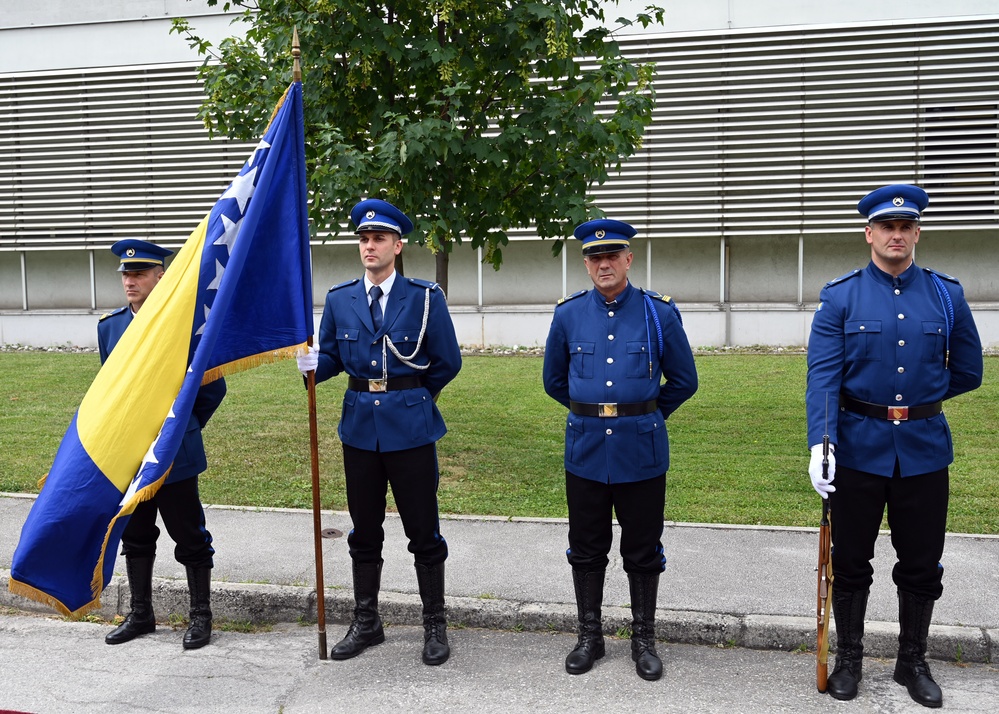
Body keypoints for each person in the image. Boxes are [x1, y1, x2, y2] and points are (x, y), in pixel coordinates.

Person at [806, 184, 983, 707]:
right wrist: (822, 441)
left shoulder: (946, 295)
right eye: (888, 227)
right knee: (852, 561)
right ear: (869, 234)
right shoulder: (840, 296)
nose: (897, 235)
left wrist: (919, 400)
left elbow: (969, 371)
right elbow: (823, 378)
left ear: (917, 233)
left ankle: (913, 661)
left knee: (922, 564)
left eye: (906, 227)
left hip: (925, 451)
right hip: (858, 450)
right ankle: (850, 659)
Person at [296, 198, 462, 665]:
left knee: (423, 532)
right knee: (364, 532)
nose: (370, 246)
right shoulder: (340, 298)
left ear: (398, 245)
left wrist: (413, 399)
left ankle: (434, 624)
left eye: (379, 239)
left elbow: (447, 362)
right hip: (359, 432)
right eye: (364, 239)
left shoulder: (425, 297)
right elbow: (330, 356)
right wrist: (312, 365)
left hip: (410, 430)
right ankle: (367, 622)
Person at [542, 218, 698, 681]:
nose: (604, 263)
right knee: (586, 548)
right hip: (586, 450)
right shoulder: (568, 314)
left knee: (643, 548)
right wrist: (592, 412)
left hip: (641, 451)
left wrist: (645, 414)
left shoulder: (658, 312)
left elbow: (685, 380)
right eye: (595, 257)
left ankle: (643, 638)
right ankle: (589, 636)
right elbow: (554, 382)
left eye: (613, 255)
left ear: (629, 259)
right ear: (586, 264)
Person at [99, 239, 227, 649]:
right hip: (131, 456)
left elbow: (212, 389)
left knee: (189, 534)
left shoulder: (185, 327)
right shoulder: (110, 328)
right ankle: (141, 614)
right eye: (126, 275)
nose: (130, 281)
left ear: (161, 276)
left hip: (174, 452)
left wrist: (182, 429)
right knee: (136, 534)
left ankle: (201, 617)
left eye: (139, 274)